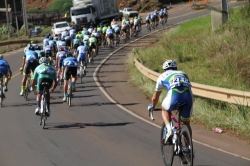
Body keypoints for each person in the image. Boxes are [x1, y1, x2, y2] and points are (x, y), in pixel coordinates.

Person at [149, 60, 193, 144]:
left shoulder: (162, 76)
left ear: (164, 69)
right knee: (186, 123)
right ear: (176, 68)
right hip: (188, 96)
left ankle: (169, 129)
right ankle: (188, 147)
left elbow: (155, 97)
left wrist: (152, 106)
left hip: (174, 95)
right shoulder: (184, 73)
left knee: (165, 109)